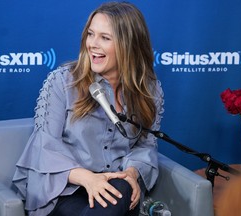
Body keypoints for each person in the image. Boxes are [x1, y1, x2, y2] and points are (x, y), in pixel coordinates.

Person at [13, 2, 164, 216]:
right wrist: (89, 179)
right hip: (65, 189)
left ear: (128, 44)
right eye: (91, 34)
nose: (92, 44)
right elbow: (44, 146)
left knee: (121, 187)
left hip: (115, 189)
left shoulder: (149, 89)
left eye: (105, 37)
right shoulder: (63, 82)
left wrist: (131, 172)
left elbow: (146, 146)